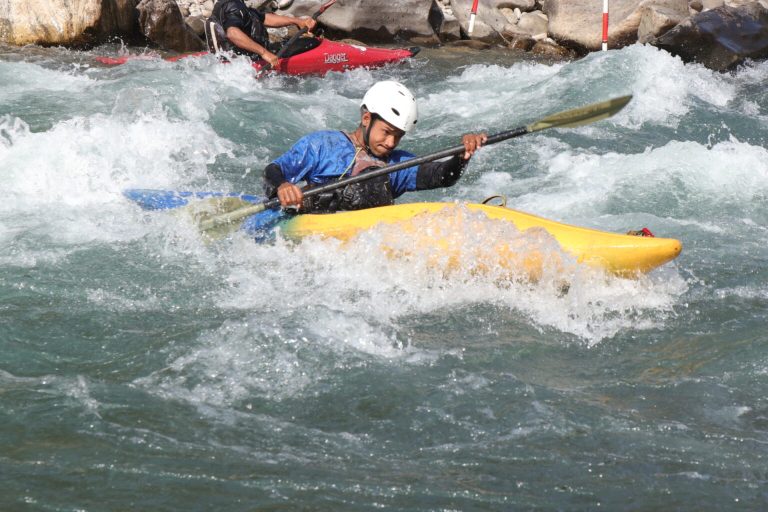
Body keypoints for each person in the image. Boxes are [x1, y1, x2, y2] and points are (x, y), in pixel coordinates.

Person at [263, 80, 487, 213]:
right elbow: (273, 170)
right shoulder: (322, 144)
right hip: (318, 233)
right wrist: (283, 186)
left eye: (398, 136)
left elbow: (441, 176)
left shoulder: (395, 163)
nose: (391, 143)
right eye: (387, 132)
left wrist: (462, 156)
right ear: (367, 119)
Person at [211, 0, 317, 68]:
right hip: (251, 59)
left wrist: (297, 21)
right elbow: (232, 33)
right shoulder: (233, 5)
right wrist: (264, 53)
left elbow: (264, 18)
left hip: (235, 58)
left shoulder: (231, 4)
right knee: (311, 42)